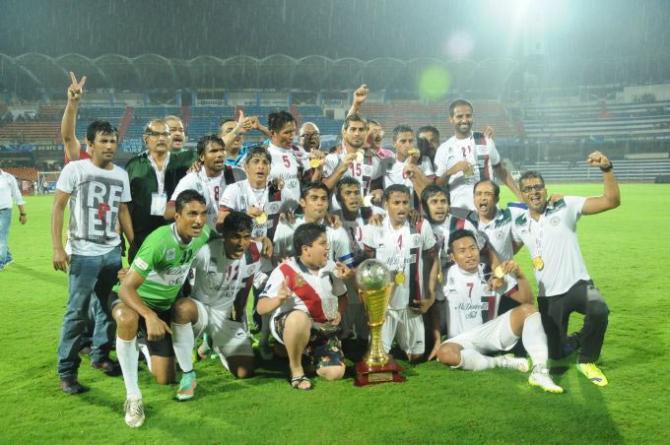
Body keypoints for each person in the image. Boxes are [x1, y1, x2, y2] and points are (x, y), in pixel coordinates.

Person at [512, 151, 620, 386]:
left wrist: (607, 169)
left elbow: (611, 201)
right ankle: (578, 339)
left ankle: (587, 360)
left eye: (538, 187)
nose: (534, 192)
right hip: (549, 295)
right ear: (521, 194)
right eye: (528, 189)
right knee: (556, 353)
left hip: (580, 283)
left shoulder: (565, 205)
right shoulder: (520, 223)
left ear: (545, 188)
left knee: (600, 309)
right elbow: (508, 250)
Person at [113, 190, 211, 428]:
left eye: (203, 214)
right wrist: (148, 316)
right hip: (133, 301)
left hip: (163, 308)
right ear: (176, 216)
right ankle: (133, 397)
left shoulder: (203, 234)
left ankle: (146, 345)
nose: (198, 220)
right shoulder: (159, 241)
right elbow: (126, 289)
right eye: (191, 214)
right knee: (127, 318)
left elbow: (223, 235)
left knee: (165, 377)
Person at [51, 119, 134, 394]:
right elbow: (59, 207)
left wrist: (133, 245)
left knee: (109, 307)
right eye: (104, 141)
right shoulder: (75, 169)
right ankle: (67, 371)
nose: (110, 146)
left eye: (113, 141)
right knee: (76, 314)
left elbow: (122, 211)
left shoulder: (121, 174)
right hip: (83, 252)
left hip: (111, 251)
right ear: (90, 144)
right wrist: (57, 247)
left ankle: (100, 356)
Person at [436, 230, 563, 394]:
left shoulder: (493, 273)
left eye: (472, 248)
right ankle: (502, 362)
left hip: (490, 333)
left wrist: (519, 274)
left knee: (528, 311)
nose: (469, 254)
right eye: (462, 251)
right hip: (462, 340)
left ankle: (540, 371)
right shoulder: (445, 278)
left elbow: (527, 301)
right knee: (445, 353)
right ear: (452, 257)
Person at [258, 223, 351, 390]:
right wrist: (279, 299)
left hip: (322, 328)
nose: (327, 248)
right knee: (299, 318)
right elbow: (261, 307)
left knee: (335, 373)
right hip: (292, 323)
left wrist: (339, 313)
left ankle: (298, 352)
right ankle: (297, 371)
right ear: (306, 249)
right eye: (322, 243)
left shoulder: (331, 267)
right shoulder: (284, 270)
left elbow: (343, 297)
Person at [178, 211, 265, 379]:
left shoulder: (255, 250)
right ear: (224, 235)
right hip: (200, 312)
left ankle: (212, 344)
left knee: (244, 372)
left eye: (246, 237)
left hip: (226, 319)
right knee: (183, 308)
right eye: (235, 237)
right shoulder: (206, 251)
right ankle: (180, 345)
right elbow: (177, 266)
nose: (242, 243)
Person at [362, 184, 438, 361]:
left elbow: (432, 261)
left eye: (405, 202)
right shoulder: (375, 226)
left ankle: (404, 344)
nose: (402, 207)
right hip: (385, 303)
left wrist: (431, 295)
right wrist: (368, 298)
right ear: (386, 204)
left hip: (412, 301)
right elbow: (367, 264)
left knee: (416, 357)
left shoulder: (421, 225)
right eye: (396, 202)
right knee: (379, 358)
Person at [125, 119, 197, 260]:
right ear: (146, 138)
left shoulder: (184, 160)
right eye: (156, 134)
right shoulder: (134, 166)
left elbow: (212, 150)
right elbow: (124, 206)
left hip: (175, 234)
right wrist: (131, 240)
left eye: (165, 134)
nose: (162, 138)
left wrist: (237, 130)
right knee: (141, 279)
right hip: (142, 237)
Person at [434, 99, 521, 210]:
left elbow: (500, 170)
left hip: (489, 211)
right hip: (460, 212)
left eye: (468, 116)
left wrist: (520, 195)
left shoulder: (485, 140)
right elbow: (437, 186)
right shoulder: (444, 148)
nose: (465, 120)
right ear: (451, 119)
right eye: (459, 116)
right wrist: (450, 171)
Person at [166, 135, 244, 228]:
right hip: (203, 238)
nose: (219, 154)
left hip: (233, 236)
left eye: (222, 150)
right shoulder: (192, 180)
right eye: (213, 151)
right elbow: (168, 212)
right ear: (202, 157)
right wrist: (193, 207)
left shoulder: (238, 174)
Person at [322, 114, 384, 209]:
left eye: (361, 130)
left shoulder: (375, 160)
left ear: (366, 132)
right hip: (338, 215)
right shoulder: (332, 159)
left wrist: (378, 192)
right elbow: (323, 189)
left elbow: (376, 188)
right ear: (344, 132)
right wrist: (341, 168)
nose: (357, 133)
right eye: (353, 129)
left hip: (364, 215)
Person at [266, 111, 322, 212]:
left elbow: (309, 186)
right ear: (273, 133)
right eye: (287, 132)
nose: (291, 136)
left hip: (297, 214)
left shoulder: (298, 151)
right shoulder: (264, 155)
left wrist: (318, 169)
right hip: (273, 214)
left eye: (293, 131)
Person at [383, 125, 434, 210]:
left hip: (413, 210)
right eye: (403, 141)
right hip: (389, 211)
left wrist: (413, 165)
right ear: (394, 143)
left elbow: (430, 188)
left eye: (410, 141)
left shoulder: (423, 160)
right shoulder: (385, 162)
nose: (408, 145)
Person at [0, 166, 27, 270]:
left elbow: (17, 195)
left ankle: (0, 262)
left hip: (5, 211)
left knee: (2, 236)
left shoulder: (8, 178)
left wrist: (22, 213)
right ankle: (8, 257)